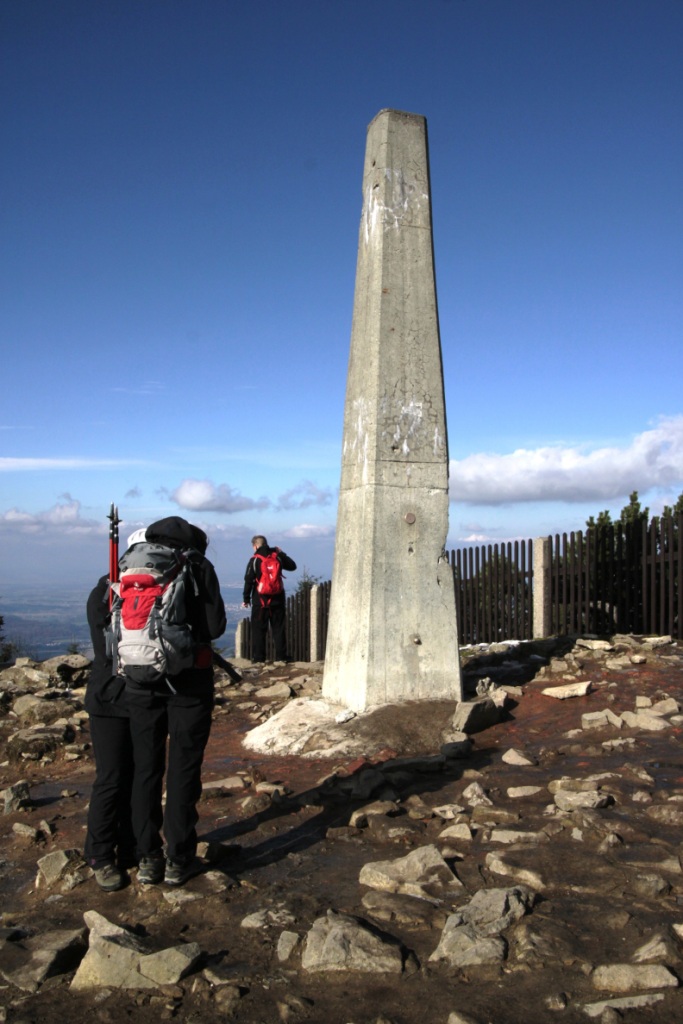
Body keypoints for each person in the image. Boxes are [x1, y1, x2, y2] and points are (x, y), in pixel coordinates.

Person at [123, 516, 226, 887]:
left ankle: (147, 857)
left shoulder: (131, 561)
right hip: (189, 685)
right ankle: (179, 859)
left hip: (139, 682)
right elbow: (215, 627)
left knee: (145, 769)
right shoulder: (197, 564)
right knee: (183, 770)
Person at [84, 572, 136, 892]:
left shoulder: (108, 593)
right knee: (113, 778)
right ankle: (100, 855)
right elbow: (106, 647)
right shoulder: (106, 595)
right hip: (111, 700)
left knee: (133, 777)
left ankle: (130, 848)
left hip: (134, 700)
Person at [242, 535, 297, 663]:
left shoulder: (255, 560)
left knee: (259, 629)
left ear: (255, 546)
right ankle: (281, 657)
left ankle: (259, 658)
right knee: (278, 628)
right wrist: (281, 553)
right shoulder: (276, 556)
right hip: (277, 599)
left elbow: (248, 580)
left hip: (260, 601)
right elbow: (293, 566)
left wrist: (246, 598)